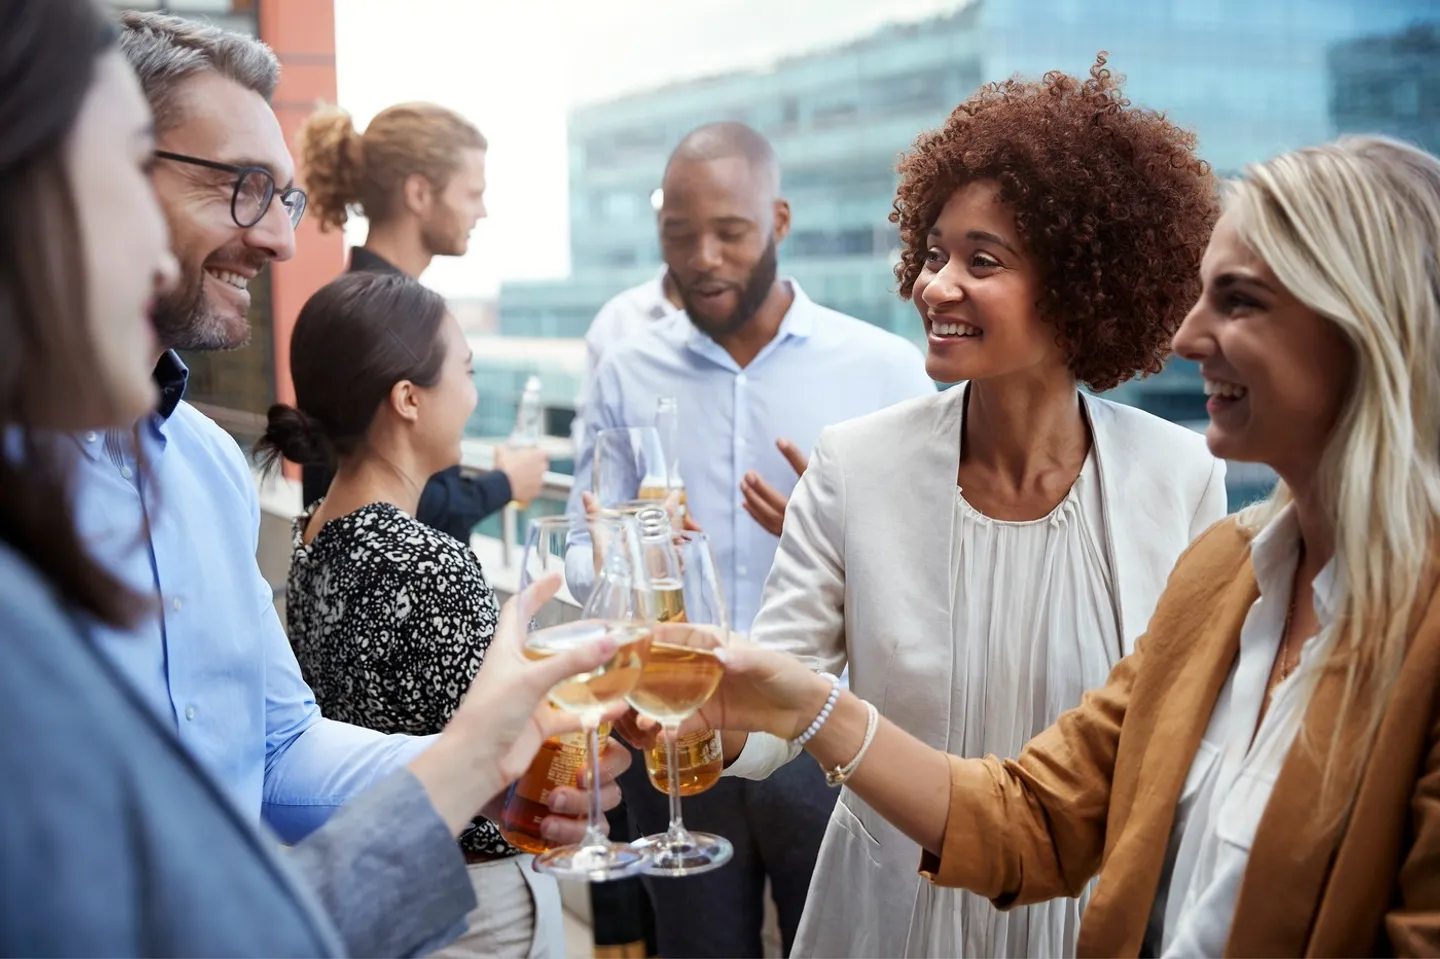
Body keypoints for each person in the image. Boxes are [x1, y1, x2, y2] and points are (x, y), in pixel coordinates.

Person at [695, 133, 1440, 957]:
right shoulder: (1235, 573)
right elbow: (1034, 816)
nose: (1190, 337)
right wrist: (768, 710)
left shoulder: (1191, 488)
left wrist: (810, 708)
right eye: (936, 253)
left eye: (1238, 300)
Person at [0, 1, 622, 953]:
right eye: (243, 187)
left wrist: (480, 765)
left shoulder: (205, 465)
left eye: (284, 196)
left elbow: (280, 745)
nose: (284, 241)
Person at [714, 59, 1229, 958]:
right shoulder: (854, 464)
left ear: (1078, 284)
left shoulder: (1181, 475)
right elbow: (773, 707)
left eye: (980, 262)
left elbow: (1192, 750)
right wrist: (701, 724)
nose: (933, 284)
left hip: (1081, 923)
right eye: (934, 252)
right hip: (883, 922)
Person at [575, 121, 936, 958]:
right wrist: (631, 553)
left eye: (729, 232)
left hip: (832, 734)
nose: (702, 256)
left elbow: (934, 556)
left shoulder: (882, 368)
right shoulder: (625, 371)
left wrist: (838, 531)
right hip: (678, 724)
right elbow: (581, 542)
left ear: (778, 220)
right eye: (678, 236)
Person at [261, 271, 575, 958]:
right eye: (464, 370)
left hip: (383, 881)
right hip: (477, 899)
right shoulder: (430, 561)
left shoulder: (315, 532)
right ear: (407, 398)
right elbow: (513, 753)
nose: (473, 392)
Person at [296, 101, 548, 541]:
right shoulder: (379, 321)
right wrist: (504, 484)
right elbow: (394, 504)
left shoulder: (349, 306)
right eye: (472, 193)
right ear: (418, 193)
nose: (482, 211)